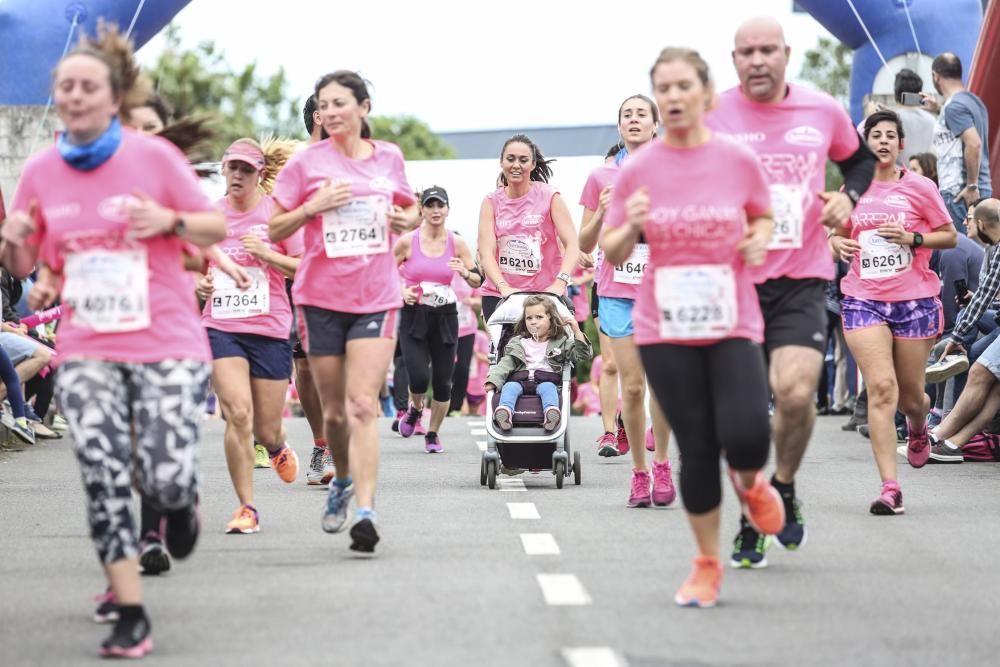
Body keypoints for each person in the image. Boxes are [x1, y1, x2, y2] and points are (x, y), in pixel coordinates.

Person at [0, 24, 226, 657]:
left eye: (87, 85)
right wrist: (16, 238)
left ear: (114, 94)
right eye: (64, 86)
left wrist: (169, 221)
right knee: (102, 475)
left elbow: (213, 228)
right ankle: (130, 609)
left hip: (166, 342)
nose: (73, 95)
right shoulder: (42, 170)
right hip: (89, 349)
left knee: (164, 473)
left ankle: (178, 504)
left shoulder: (153, 157)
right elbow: (25, 264)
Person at [602, 46, 782, 607]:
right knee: (698, 446)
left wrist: (757, 238)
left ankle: (752, 483)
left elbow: (764, 217)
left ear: (705, 94)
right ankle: (706, 564)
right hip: (664, 323)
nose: (673, 97)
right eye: (664, 87)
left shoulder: (736, 160)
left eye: (684, 87)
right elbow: (608, 246)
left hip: (731, 319)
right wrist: (629, 225)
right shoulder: (638, 168)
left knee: (748, 431)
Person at [707, 16, 876, 567]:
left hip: (800, 276)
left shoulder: (820, 108)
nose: (757, 60)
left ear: (786, 53)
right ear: (734, 61)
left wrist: (848, 196)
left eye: (767, 50)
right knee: (743, 421)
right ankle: (753, 514)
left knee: (798, 393)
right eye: (746, 51)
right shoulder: (714, 113)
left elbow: (858, 159)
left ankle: (782, 486)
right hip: (732, 283)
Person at [270, 70, 419, 554]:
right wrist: (313, 207)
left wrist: (406, 218)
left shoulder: (388, 158)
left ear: (363, 107)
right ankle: (341, 480)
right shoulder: (305, 163)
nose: (330, 111)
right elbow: (275, 228)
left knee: (362, 406)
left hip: (376, 296)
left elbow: (411, 207)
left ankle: (367, 512)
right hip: (320, 298)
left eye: (339, 103)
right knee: (334, 414)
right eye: (323, 105)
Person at [830, 109, 956, 514]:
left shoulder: (919, 187)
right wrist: (836, 244)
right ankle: (890, 487)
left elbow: (949, 235)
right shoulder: (853, 190)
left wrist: (912, 236)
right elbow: (835, 234)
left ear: (901, 144)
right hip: (864, 298)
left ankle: (919, 426)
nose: (882, 141)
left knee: (909, 397)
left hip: (914, 301)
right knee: (881, 388)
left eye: (890, 135)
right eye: (874, 134)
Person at [196, 138, 304, 534]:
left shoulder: (277, 214)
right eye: (232, 168)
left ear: (260, 174)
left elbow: (303, 266)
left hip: (270, 327)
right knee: (237, 413)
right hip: (221, 326)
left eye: (246, 169)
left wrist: (267, 255)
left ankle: (276, 446)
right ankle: (247, 507)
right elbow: (188, 264)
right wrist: (199, 284)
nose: (238, 175)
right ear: (223, 170)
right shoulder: (209, 216)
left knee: (265, 428)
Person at [581, 95, 676, 506]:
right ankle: (639, 471)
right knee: (633, 388)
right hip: (618, 292)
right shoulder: (601, 176)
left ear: (656, 125)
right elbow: (583, 243)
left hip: (664, 290)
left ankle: (662, 464)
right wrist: (602, 214)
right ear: (619, 126)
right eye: (627, 115)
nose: (634, 120)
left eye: (642, 115)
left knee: (665, 385)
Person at [393, 186, 478, 451]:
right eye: (430, 206)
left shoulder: (457, 243)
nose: (435, 210)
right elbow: (384, 271)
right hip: (413, 314)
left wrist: (464, 271)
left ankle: (432, 433)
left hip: (444, 316)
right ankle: (415, 409)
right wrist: (401, 290)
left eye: (440, 205)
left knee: (443, 382)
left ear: (447, 209)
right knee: (418, 377)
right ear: (422, 210)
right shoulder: (408, 241)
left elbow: (478, 279)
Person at [477, 134, 579, 323]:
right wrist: (503, 287)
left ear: (532, 165)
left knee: (545, 352)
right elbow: (486, 253)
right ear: (501, 162)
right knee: (506, 353)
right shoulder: (491, 201)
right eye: (510, 159)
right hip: (500, 295)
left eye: (523, 160)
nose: (516, 165)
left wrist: (560, 282)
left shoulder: (550, 197)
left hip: (543, 296)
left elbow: (572, 244)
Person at [296, 94, 335, 485]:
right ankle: (321, 443)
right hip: (302, 275)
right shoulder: (295, 164)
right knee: (305, 369)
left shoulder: (360, 159)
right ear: (315, 116)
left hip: (346, 278)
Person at [485, 295, 591, 432]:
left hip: (547, 380)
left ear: (551, 319)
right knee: (510, 386)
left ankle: (551, 413)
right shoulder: (518, 343)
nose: (533, 322)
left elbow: (583, 355)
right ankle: (505, 412)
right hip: (520, 380)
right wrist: (493, 380)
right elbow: (506, 364)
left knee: (548, 388)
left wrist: (576, 331)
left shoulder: (561, 342)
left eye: (539, 317)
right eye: (529, 318)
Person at [925, 53, 992, 232]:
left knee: (963, 254)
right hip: (974, 190)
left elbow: (973, 143)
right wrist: (938, 109)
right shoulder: (974, 102)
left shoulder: (954, 107)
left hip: (960, 193)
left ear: (936, 76)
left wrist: (971, 186)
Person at [448, 263, 482, 415]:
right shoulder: (439, 271)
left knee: (463, 367)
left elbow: (480, 298)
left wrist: (473, 301)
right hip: (445, 327)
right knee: (445, 367)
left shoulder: (468, 274)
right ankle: (441, 401)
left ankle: (455, 407)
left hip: (466, 328)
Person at [889, 68, 936, 164]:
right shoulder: (931, 120)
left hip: (899, 175)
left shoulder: (891, 120)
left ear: (896, 93)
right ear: (920, 93)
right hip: (925, 175)